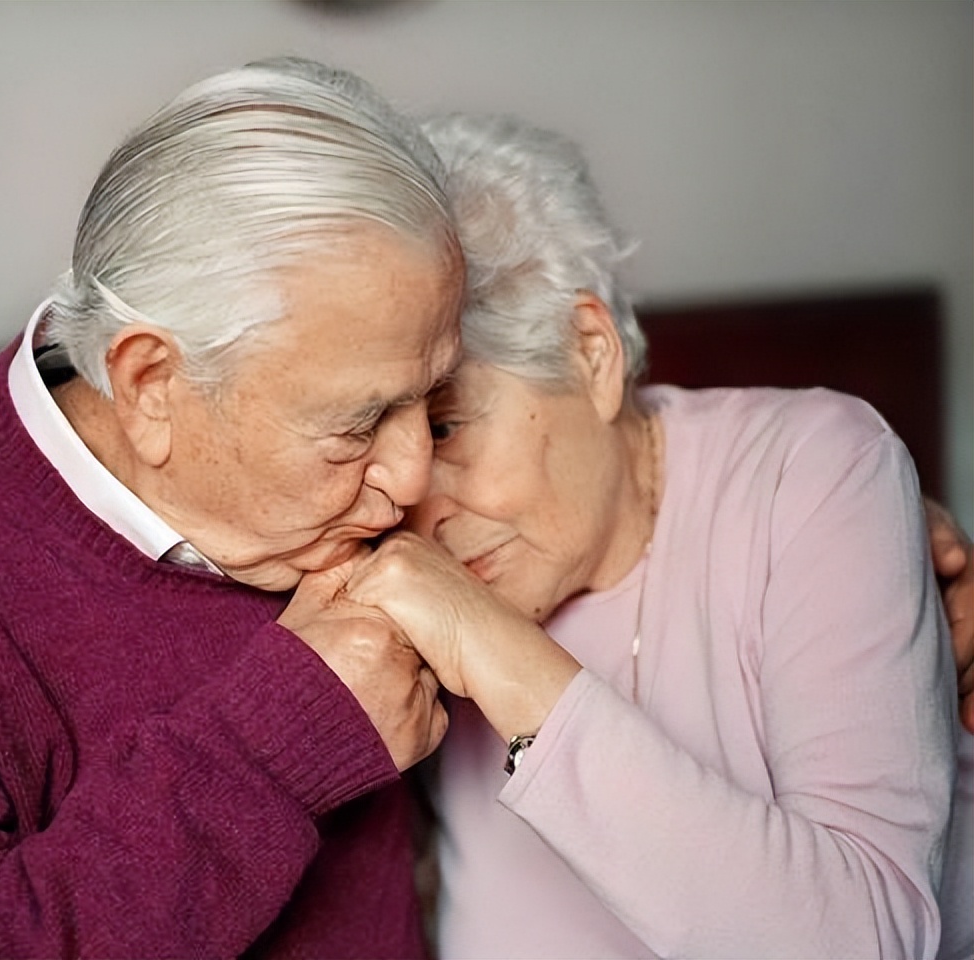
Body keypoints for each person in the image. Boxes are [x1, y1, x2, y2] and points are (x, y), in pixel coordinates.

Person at [0, 58, 463, 958]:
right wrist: (283, 745)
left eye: (436, 401)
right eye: (359, 424)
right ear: (151, 384)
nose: (415, 475)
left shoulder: (365, 475)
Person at [343, 113, 966, 957]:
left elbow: (869, 940)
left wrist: (485, 642)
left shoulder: (813, 470)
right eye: (379, 444)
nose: (417, 508)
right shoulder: (385, 564)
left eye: (447, 428)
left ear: (592, 354)